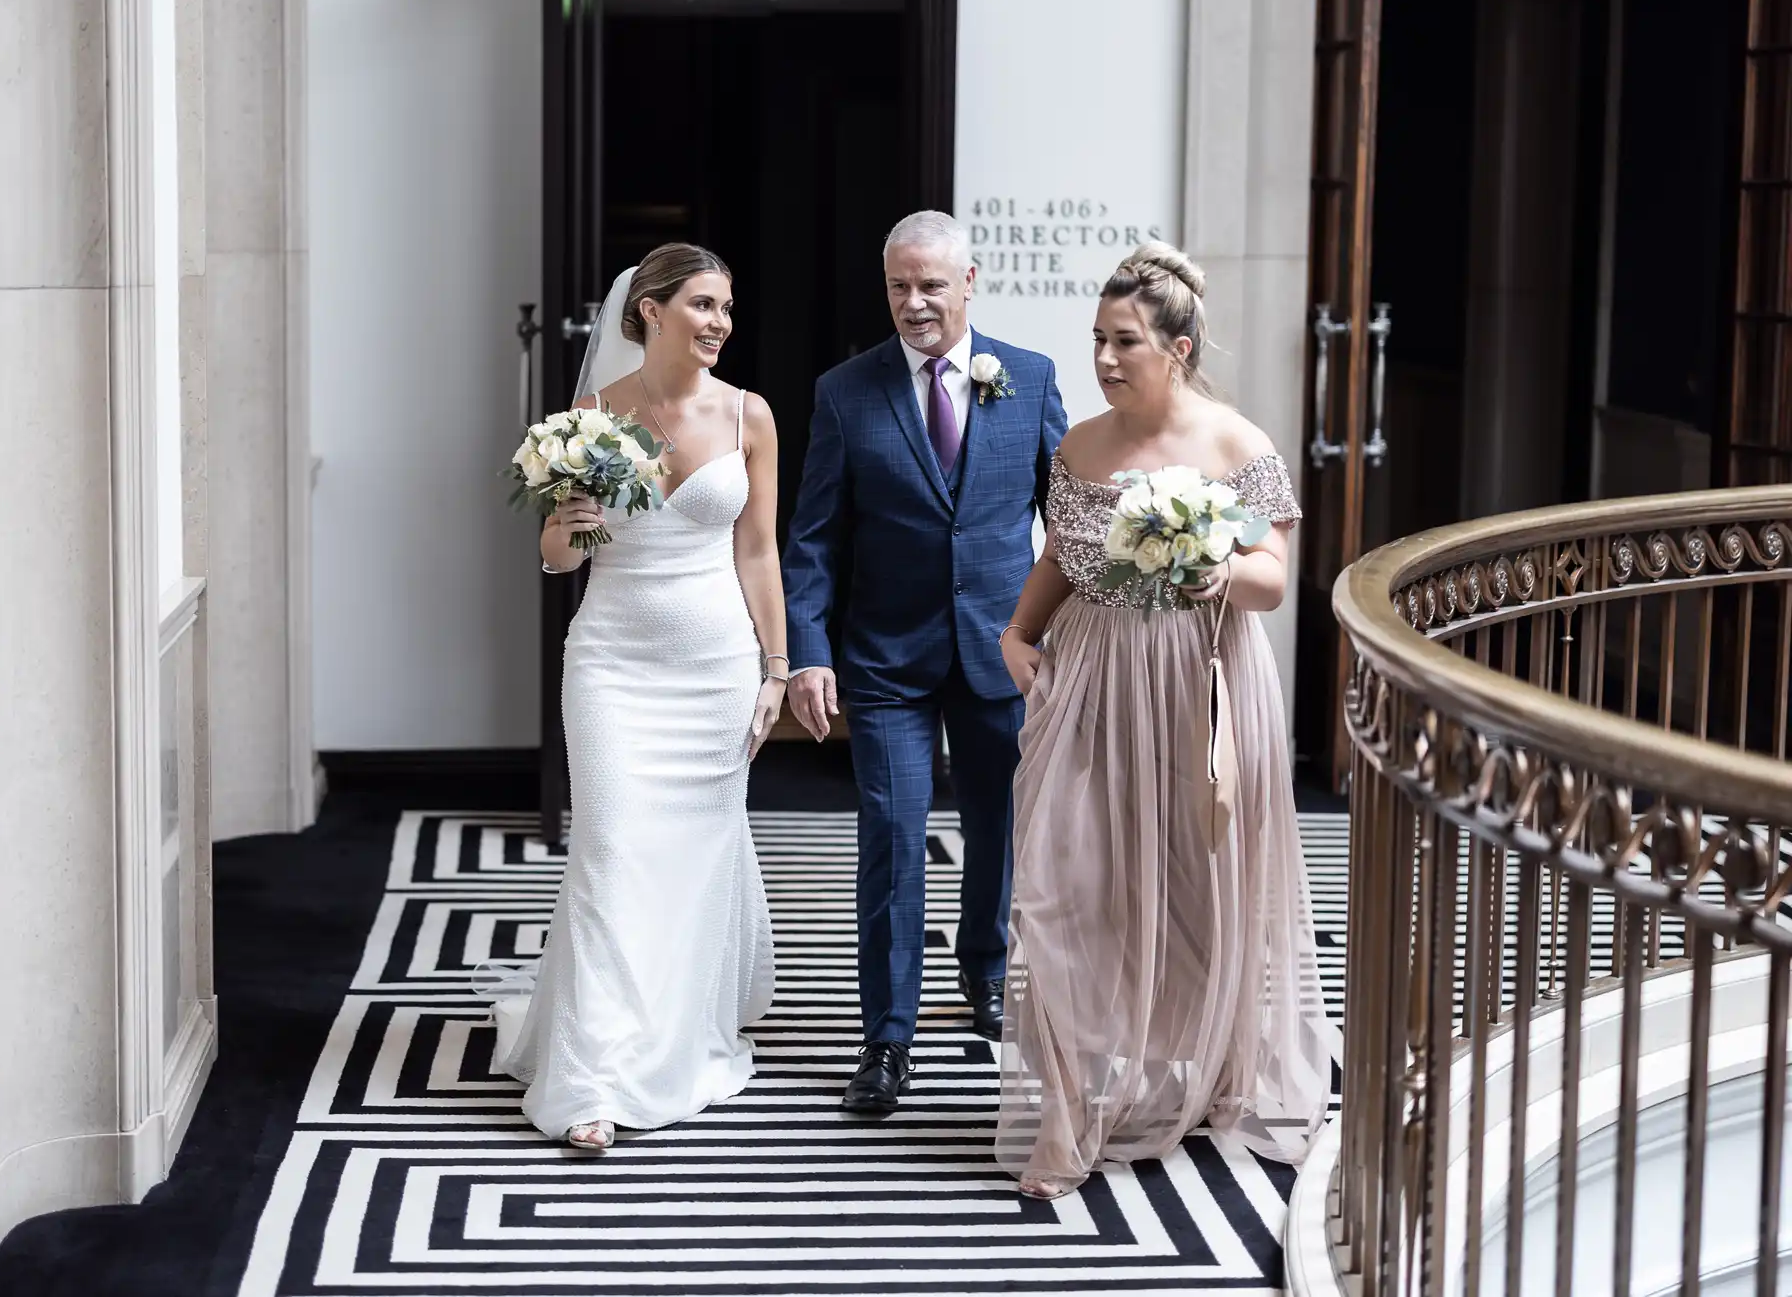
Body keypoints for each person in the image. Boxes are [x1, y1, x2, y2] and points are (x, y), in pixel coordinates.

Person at [993, 243, 1332, 1198]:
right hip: (1093, 679)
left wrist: (1218, 570)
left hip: (1200, 681)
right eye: (1098, 339)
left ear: (1177, 349)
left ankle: (1217, 1068)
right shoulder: (1082, 445)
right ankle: (1065, 1115)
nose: (1104, 358)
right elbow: (1061, 554)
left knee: (1199, 895)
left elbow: (1272, 578)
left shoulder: (1236, 444)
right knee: (1056, 893)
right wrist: (1018, 633)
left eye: (1125, 342)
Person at [490, 243, 784, 1151]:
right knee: (613, 849)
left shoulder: (750, 415)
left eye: (727, 308)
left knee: (689, 864)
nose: (719, 322)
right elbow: (556, 558)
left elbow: (759, 551)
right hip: (613, 662)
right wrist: (565, 531)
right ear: (648, 310)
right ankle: (591, 1074)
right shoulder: (585, 417)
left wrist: (776, 667)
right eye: (701, 304)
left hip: (715, 671)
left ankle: (671, 1034)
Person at [783, 210, 1067, 1114]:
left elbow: (1069, 526)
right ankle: (887, 1039)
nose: (914, 303)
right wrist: (809, 653)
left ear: (970, 281)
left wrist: (1074, 637)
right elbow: (814, 540)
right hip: (885, 660)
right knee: (893, 840)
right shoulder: (843, 392)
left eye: (931, 285)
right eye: (899, 286)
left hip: (1002, 650)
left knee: (998, 831)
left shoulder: (1028, 378)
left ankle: (984, 970)